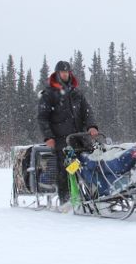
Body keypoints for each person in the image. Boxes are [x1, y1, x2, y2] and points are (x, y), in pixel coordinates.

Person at [37, 60, 99, 204]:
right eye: (62, 72)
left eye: (67, 72)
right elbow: (42, 118)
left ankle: (91, 197)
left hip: (79, 138)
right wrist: (48, 137)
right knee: (66, 170)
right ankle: (66, 202)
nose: (65, 74)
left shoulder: (76, 92)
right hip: (61, 140)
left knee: (88, 165)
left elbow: (87, 111)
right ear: (57, 73)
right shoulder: (49, 94)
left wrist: (92, 126)